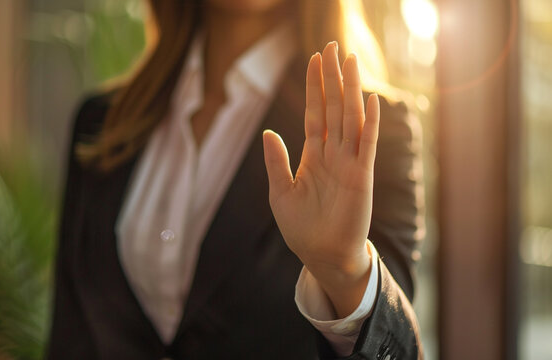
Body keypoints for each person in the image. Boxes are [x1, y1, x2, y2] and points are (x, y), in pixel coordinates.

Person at [47, 0, 424, 359]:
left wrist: (345, 269)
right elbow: (70, 336)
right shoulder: (101, 124)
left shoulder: (368, 130)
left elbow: (399, 353)